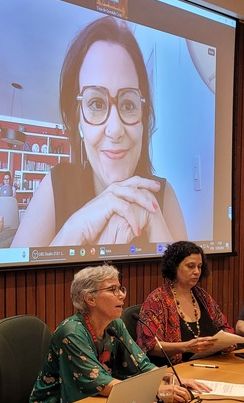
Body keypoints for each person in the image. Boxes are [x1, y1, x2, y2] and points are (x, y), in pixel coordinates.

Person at [11, 15, 187, 248]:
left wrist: (156, 222)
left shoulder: (163, 196)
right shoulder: (55, 187)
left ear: (143, 120)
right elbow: (16, 283)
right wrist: (77, 227)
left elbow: (186, 283)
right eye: (96, 104)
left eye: (128, 105)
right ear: (79, 121)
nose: (115, 129)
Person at [27, 264, 208, 403]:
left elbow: (142, 364)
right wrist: (154, 390)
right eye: (113, 289)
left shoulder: (115, 324)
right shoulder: (72, 332)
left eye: (120, 288)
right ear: (90, 299)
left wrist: (173, 379)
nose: (121, 295)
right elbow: (100, 382)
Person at [138, 241, 235, 365]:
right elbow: (150, 346)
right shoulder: (157, 300)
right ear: (174, 267)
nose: (196, 272)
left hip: (213, 364)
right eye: (190, 266)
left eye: (199, 266)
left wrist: (227, 340)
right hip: (178, 371)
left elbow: (225, 327)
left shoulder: (202, 296)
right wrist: (186, 347)